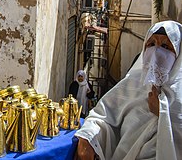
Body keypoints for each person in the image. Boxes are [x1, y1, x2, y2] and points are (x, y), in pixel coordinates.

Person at [74, 20, 182, 160]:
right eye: (151, 44)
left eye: (165, 46)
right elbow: (103, 117)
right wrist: (87, 138)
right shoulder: (132, 84)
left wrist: (162, 112)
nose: (156, 51)